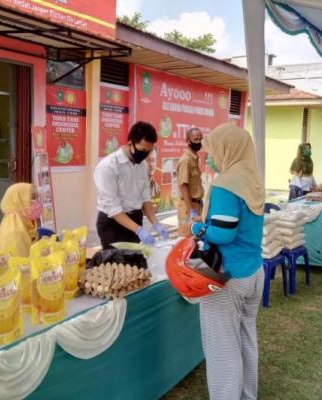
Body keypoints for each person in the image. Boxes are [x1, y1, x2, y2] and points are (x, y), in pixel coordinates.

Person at [180, 123, 265, 400]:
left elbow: (223, 233)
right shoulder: (252, 178)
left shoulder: (226, 185)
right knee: (246, 340)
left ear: (228, 149)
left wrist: (195, 228)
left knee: (222, 349)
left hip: (227, 278)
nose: (210, 155)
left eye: (214, 149)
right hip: (253, 272)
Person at [94, 121, 169, 249]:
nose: (145, 155)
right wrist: (139, 231)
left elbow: (145, 199)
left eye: (149, 151)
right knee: (116, 260)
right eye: (143, 150)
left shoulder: (143, 165)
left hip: (135, 219)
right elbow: (113, 209)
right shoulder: (108, 166)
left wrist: (156, 224)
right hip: (112, 223)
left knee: (136, 258)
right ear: (130, 143)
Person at [0, 183, 41, 257]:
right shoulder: (15, 233)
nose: (37, 202)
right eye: (32, 198)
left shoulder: (23, 222)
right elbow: (23, 262)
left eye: (36, 198)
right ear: (19, 203)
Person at [176, 127, 205, 225]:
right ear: (188, 141)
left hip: (197, 205)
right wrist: (191, 210)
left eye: (200, 139)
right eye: (195, 139)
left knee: (197, 234)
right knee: (188, 234)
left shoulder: (195, 158)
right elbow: (183, 186)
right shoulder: (186, 160)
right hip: (188, 207)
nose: (198, 142)